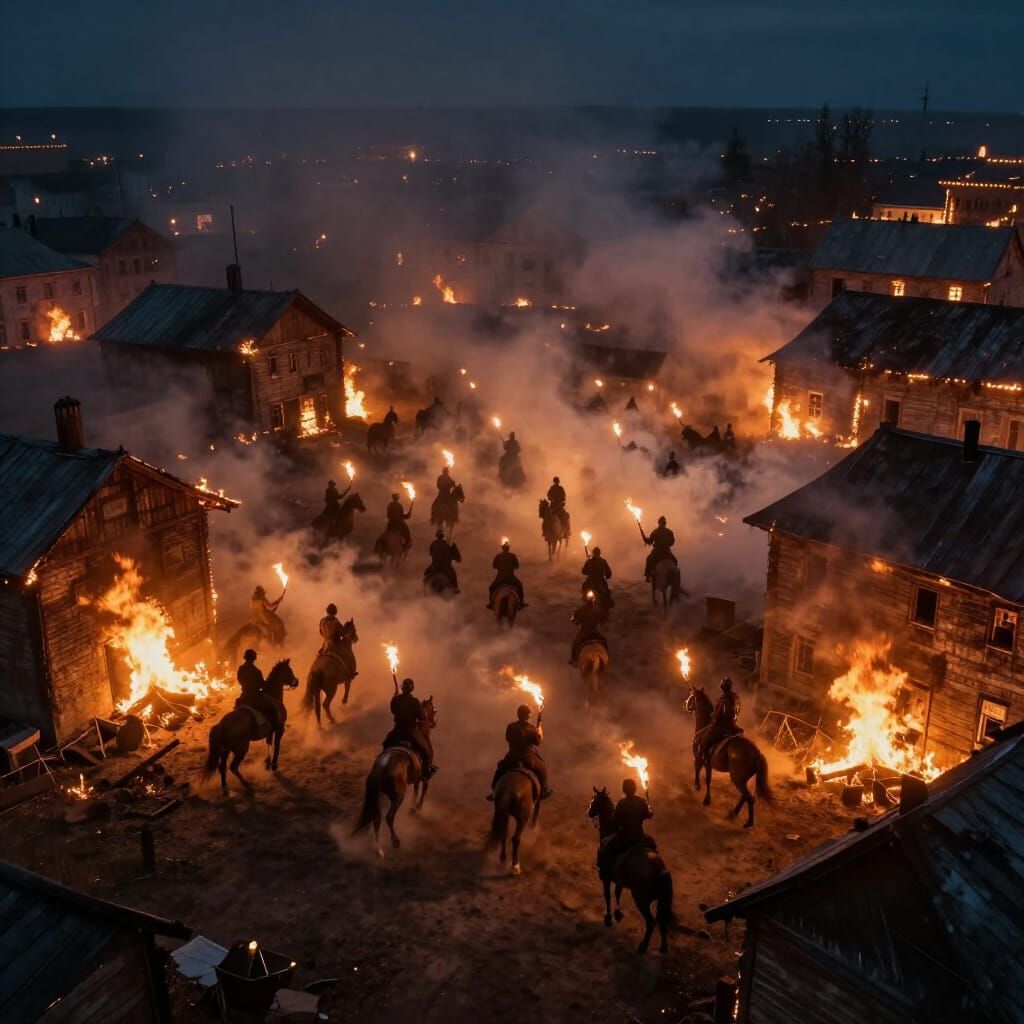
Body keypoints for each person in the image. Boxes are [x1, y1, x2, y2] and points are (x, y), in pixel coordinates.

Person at [487, 704, 552, 800]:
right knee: (542, 767)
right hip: (528, 756)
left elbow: (508, 738)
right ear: (528, 716)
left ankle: (494, 791)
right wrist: (539, 729)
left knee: (500, 768)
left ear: (518, 714)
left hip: (512, 755)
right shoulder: (531, 728)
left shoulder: (511, 726)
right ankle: (544, 789)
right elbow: (537, 742)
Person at [598, 778, 656, 881]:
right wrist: (649, 807)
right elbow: (649, 815)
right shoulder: (641, 801)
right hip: (640, 836)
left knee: (606, 847)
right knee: (653, 845)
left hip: (624, 837)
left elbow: (615, 821)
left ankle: (604, 873)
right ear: (635, 788)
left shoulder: (622, 803)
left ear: (624, 789)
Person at [384, 678, 436, 778]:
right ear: (411, 689)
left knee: (386, 744)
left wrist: (394, 696)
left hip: (397, 731)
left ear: (402, 688)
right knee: (424, 749)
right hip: (411, 732)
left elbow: (393, 710)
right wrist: (424, 712)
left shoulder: (396, 700)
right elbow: (421, 717)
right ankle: (426, 771)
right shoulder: (415, 702)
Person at [697, 677, 743, 762]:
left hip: (722, 727)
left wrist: (714, 715)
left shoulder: (724, 698)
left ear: (722, 687)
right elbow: (736, 711)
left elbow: (722, 714)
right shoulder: (735, 697)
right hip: (733, 724)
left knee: (705, 740)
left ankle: (704, 760)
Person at [570, 591, 607, 665]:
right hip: (594, 631)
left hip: (584, 631)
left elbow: (575, 621)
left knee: (575, 643)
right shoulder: (597, 609)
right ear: (593, 599)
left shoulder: (581, 609)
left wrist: (573, 619)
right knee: (604, 641)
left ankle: (574, 660)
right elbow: (602, 620)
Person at [488, 540, 526, 608]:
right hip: (511, 577)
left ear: (502, 548)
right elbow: (517, 566)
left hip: (500, 577)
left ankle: (490, 604)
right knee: (520, 586)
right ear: (509, 548)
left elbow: (494, 566)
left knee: (491, 588)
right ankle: (521, 602)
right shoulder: (513, 556)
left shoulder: (498, 556)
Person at [643, 516, 677, 582]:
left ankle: (647, 576)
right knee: (675, 561)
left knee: (648, 559)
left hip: (657, 552)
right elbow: (672, 542)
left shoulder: (655, 532)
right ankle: (674, 577)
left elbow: (650, 542)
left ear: (659, 523)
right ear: (665, 523)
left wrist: (645, 539)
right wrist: (667, 544)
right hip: (667, 552)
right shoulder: (669, 532)